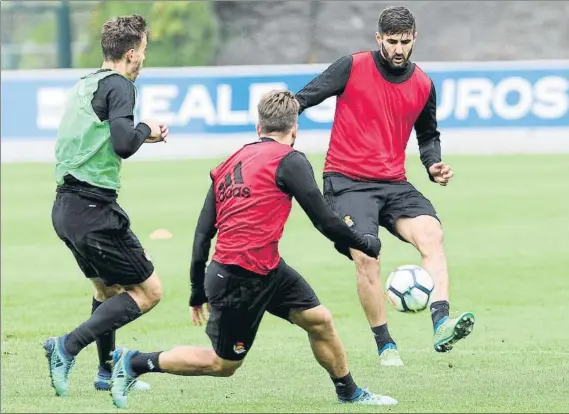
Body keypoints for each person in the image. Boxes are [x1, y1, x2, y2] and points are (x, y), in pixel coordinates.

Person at [108, 90, 398, 409]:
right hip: (238, 279)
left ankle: (349, 392)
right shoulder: (291, 159)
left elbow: (203, 233)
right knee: (223, 365)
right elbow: (325, 221)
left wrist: (196, 288)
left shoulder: (228, 164)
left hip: (265, 269)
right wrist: (365, 243)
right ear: (294, 129)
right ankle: (134, 362)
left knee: (320, 320)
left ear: (257, 127)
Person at [294, 5, 475, 367]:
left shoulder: (423, 83)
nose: (397, 49)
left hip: (394, 184)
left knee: (432, 236)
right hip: (346, 183)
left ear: (414, 39)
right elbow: (304, 98)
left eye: (404, 42)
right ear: (378, 39)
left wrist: (432, 164)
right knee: (367, 256)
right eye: (391, 41)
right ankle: (385, 345)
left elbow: (428, 135)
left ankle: (441, 323)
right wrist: (280, 131)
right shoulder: (353, 66)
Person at [43, 14, 169, 397]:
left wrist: (140, 134)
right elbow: (123, 146)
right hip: (94, 211)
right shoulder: (122, 87)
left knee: (106, 292)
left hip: (65, 208)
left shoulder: (86, 85)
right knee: (149, 292)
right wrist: (145, 127)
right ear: (131, 54)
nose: (143, 59)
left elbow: (102, 137)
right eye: (144, 51)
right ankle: (65, 346)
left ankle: (104, 371)